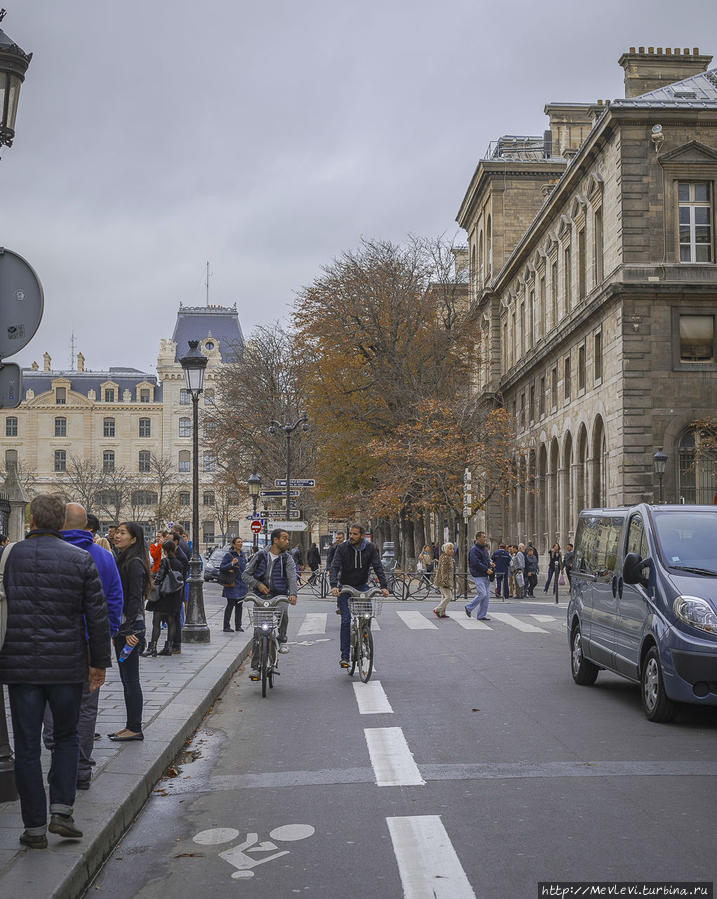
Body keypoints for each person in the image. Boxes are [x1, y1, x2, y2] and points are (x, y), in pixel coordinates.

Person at [0, 494, 111, 848]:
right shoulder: (80, 558)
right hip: (67, 665)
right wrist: (99, 663)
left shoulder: (10, 555)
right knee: (66, 737)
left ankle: (34, 827)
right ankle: (61, 811)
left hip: (21, 667)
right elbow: (97, 615)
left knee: (28, 745)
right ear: (62, 522)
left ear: (31, 521)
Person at [43, 504, 123, 791]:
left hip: (55, 644)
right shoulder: (103, 556)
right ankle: (81, 768)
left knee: (53, 701)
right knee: (87, 708)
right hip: (92, 644)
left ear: (61, 523)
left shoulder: (49, 553)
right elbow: (115, 600)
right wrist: (108, 635)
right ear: (87, 525)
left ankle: (57, 759)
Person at [111, 521, 150, 741]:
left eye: (122, 533)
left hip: (130, 628)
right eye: (117, 532)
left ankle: (135, 727)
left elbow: (135, 598)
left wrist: (128, 630)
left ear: (134, 539)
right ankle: (130, 726)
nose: (117, 536)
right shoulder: (124, 558)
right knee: (127, 679)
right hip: (125, 627)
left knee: (131, 679)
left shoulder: (134, 563)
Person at [330, 524, 389, 668]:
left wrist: (384, 586)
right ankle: (345, 657)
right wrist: (333, 585)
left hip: (362, 586)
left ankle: (364, 638)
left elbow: (377, 567)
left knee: (367, 615)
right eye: (350, 533)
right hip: (345, 587)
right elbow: (335, 566)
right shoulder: (342, 548)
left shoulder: (370, 548)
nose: (351, 536)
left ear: (362, 536)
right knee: (345, 621)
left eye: (355, 534)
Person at [243, 528, 297, 679]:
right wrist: (258, 584)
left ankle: (282, 639)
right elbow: (245, 574)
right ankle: (255, 668)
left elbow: (292, 578)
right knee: (258, 632)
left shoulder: (287, 559)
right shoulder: (260, 555)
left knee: (283, 612)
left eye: (287, 539)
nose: (287, 542)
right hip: (261, 597)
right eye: (284, 539)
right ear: (275, 540)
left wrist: (292, 594)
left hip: (279, 595)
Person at [144, 539, 184, 656]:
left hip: (163, 595)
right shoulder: (179, 563)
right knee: (171, 621)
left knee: (156, 621)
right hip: (175, 595)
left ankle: (153, 647)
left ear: (165, 550)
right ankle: (169, 647)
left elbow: (159, 578)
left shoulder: (164, 561)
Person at [220, 536, 247, 633]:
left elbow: (244, 570)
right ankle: (226, 626)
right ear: (234, 544)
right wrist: (231, 563)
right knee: (230, 604)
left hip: (242, 584)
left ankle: (238, 626)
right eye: (238, 542)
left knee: (239, 605)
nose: (240, 544)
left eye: (241, 542)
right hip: (232, 583)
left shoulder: (243, 555)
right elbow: (222, 567)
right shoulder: (229, 555)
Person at [465, 531, 493, 620]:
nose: (485, 538)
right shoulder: (474, 549)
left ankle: (481, 615)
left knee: (486, 596)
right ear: (478, 538)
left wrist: (490, 564)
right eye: (483, 537)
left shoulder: (483, 549)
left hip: (485, 575)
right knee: (482, 593)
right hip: (478, 575)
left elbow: (485, 560)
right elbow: (475, 563)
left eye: (485, 537)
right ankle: (469, 607)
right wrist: (486, 569)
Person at [432, 542, 455, 618]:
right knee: (448, 597)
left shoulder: (448, 557)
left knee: (444, 596)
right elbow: (443, 570)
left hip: (444, 580)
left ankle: (442, 613)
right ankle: (437, 609)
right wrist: (445, 581)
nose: (452, 550)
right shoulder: (446, 558)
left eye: (453, 549)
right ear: (446, 549)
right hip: (444, 581)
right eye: (450, 548)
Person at [326, 532, 345, 614]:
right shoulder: (333, 548)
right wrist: (328, 570)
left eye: (340, 538)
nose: (338, 540)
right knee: (339, 588)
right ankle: (339, 606)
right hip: (336, 569)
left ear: (343, 538)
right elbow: (329, 559)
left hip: (345, 569)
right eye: (337, 538)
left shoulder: (347, 547)